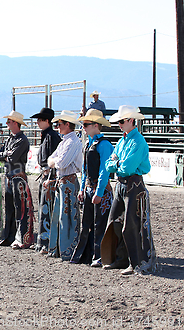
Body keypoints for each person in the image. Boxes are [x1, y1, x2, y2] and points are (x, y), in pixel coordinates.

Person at [101, 105, 158, 275]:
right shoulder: (123, 141)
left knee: (132, 225)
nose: (119, 124)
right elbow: (109, 164)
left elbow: (127, 167)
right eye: (118, 121)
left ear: (131, 121)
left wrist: (116, 164)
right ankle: (122, 259)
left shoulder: (137, 141)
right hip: (123, 185)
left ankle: (137, 262)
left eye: (122, 121)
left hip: (133, 186)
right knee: (116, 223)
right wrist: (118, 164)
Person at [70, 109, 114, 266]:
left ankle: (99, 256)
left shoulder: (104, 145)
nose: (83, 127)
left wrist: (99, 191)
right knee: (87, 223)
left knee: (99, 223)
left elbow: (105, 170)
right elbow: (85, 168)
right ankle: (86, 255)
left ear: (96, 125)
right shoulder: (90, 144)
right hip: (90, 188)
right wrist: (82, 188)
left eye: (86, 124)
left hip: (98, 189)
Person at [47, 110, 83, 260]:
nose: (57, 127)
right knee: (60, 215)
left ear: (67, 125)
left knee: (67, 216)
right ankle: (61, 249)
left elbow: (60, 162)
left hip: (68, 181)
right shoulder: (65, 142)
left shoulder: (73, 142)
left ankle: (67, 250)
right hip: (63, 181)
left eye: (59, 124)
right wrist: (54, 162)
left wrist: (54, 162)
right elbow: (52, 160)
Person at [0, 111, 34, 249]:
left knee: (21, 209)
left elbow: (11, 158)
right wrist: (6, 154)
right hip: (10, 176)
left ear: (15, 123)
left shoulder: (22, 140)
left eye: (9, 121)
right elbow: (0, 155)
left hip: (17, 177)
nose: (7, 123)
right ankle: (10, 237)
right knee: (10, 209)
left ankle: (21, 238)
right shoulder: (11, 139)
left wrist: (5, 155)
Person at [30, 108, 62, 254]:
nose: (37, 122)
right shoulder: (48, 135)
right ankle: (43, 241)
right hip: (46, 173)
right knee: (44, 206)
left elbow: (54, 158)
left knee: (47, 207)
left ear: (47, 121)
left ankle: (47, 241)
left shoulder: (51, 136)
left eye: (40, 120)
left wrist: (50, 174)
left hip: (50, 174)